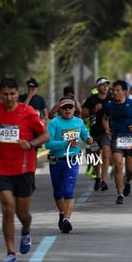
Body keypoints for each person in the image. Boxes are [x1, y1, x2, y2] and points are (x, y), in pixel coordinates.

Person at [0, 77, 49, 262]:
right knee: (7, 207)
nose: (9, 98)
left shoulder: (27, 112)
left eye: (12, 94)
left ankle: (26, 229)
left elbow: (45, 135)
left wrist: (31, 144)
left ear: (18, 93)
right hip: (1, 167)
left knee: (22, 213)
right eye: (5, 94)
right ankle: (10, 252)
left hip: (24, 168)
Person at [45, 97, 93, 233]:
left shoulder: (79, 122)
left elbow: (85, 136)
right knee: (58, 192)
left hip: (72, 160)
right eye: (65, 107)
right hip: (56, 160)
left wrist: (89, 139)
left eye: (70, 107)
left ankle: (66, 219)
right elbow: (48, 144)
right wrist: (66, 143)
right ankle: (62, 213)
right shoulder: (54, 123)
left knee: (68, 190)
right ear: (60, 109)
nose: (67, 110)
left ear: (74, 109)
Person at [102, 80, 132, 204]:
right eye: (114, 90)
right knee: (117, 163)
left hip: (131, 137)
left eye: (118, 90)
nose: (115, 93)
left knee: (130, 170)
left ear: (125, 92)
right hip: (117, 137)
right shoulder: (110, 105)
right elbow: (105, 118)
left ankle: (127, 182)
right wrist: (106, 128)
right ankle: (120, 194)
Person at [82, 77, 113, 192]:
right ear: (97, 87)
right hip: (94, 133)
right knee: (96, 156)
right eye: (103, 85)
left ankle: (103, 181)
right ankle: (98, 178)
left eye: (107, 85)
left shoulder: (111, 100)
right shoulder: (91, 100)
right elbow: (82, 114)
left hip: (106, 132)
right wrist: (93, 110)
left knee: (105, 153)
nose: (105, 87)